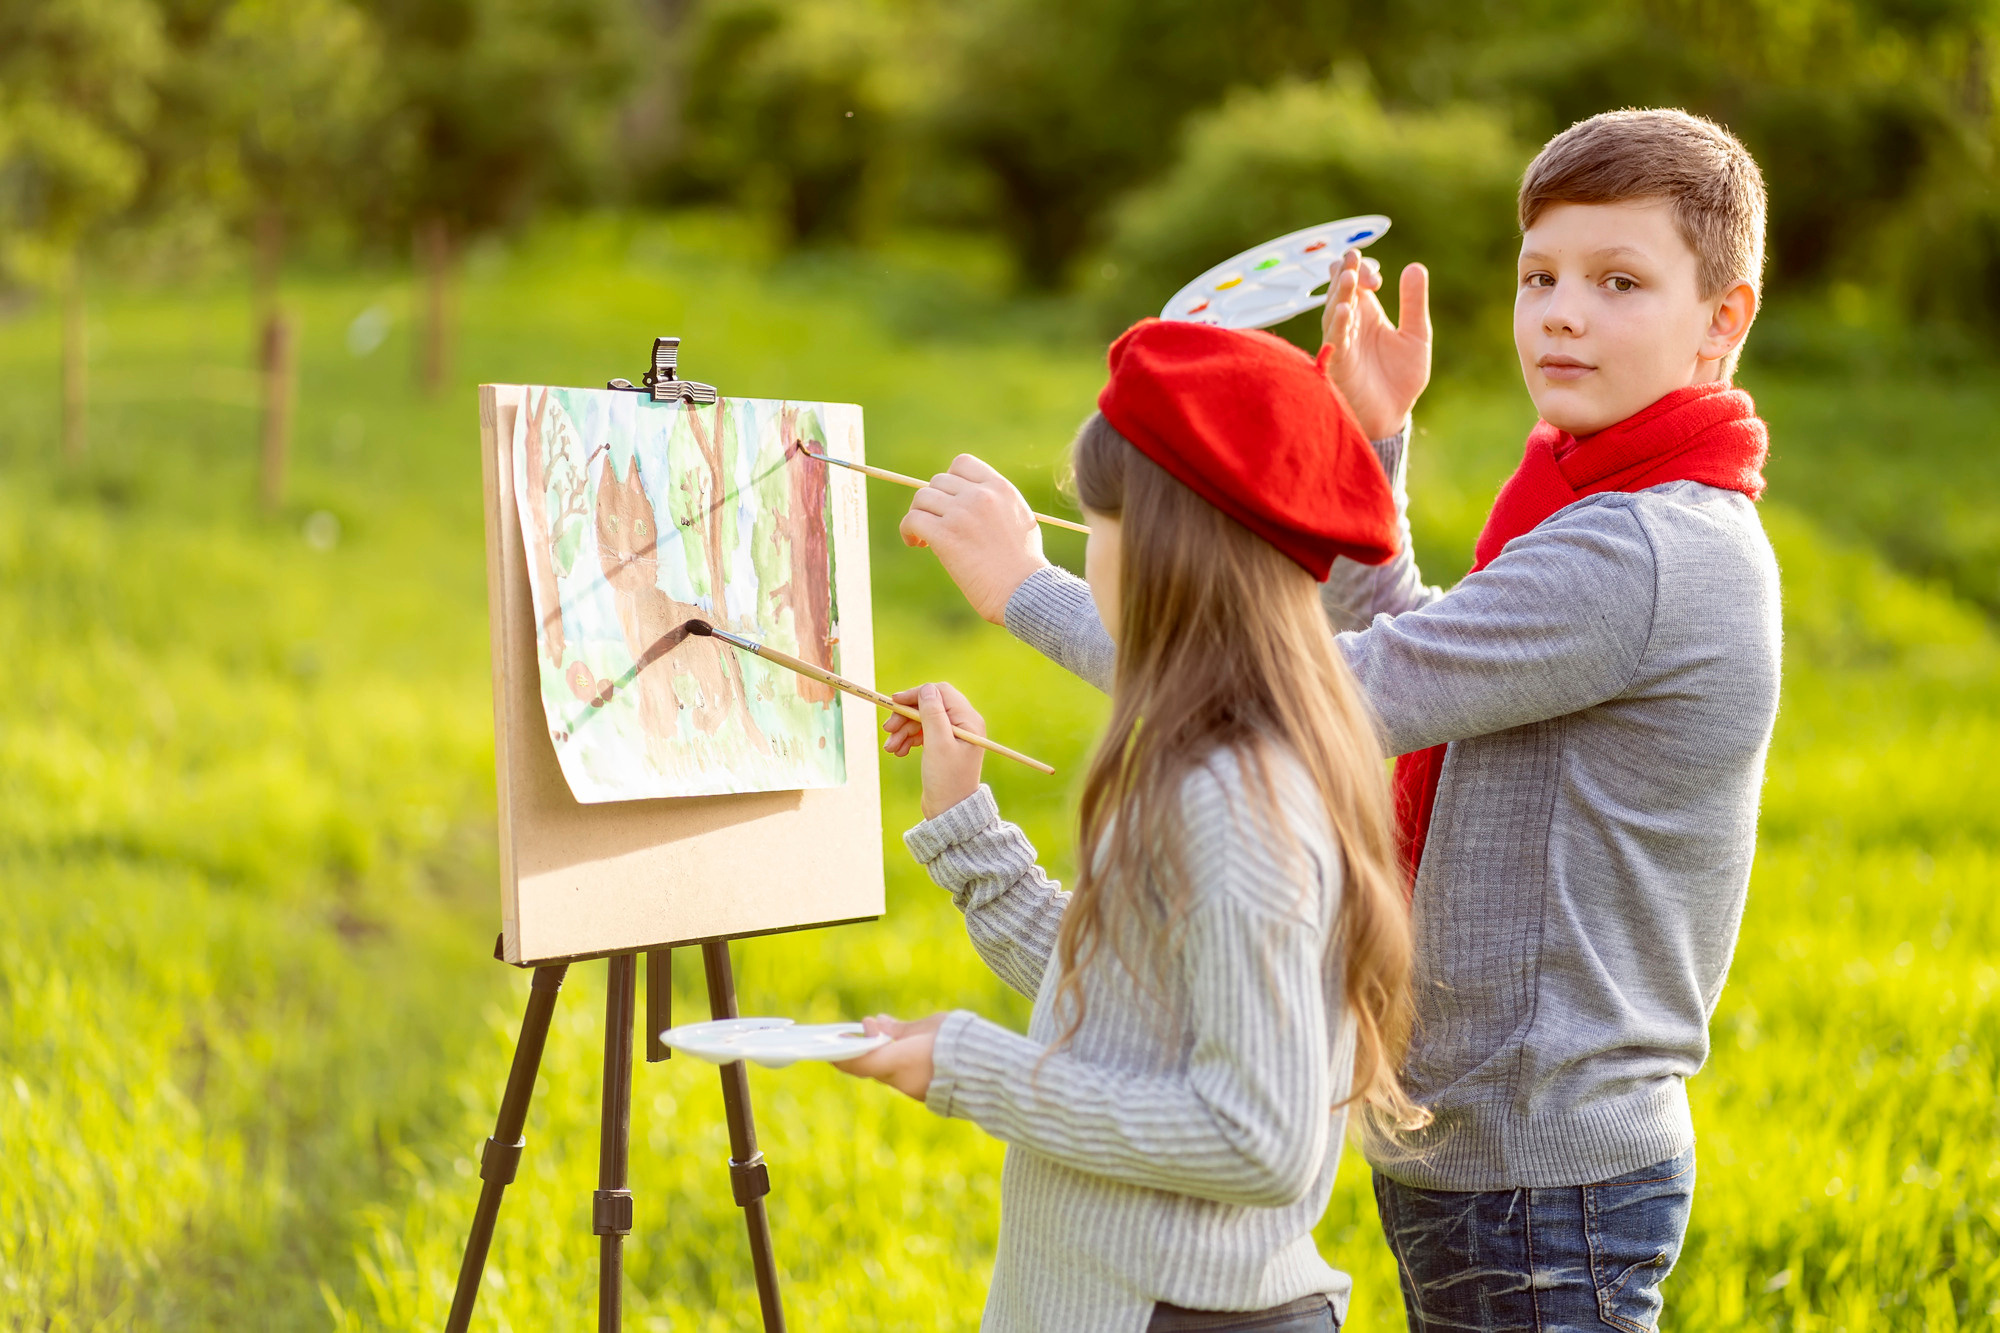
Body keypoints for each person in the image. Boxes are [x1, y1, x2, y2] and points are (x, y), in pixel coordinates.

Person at [895, 109, 1781, 1332]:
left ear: (1721, 318)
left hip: (1535, 1169)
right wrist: (1370, 442)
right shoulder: (1596, 505)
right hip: (1483, 1144)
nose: (1561, 312)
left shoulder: (1638, 548)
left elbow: (1313, 694)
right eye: (1540, 277)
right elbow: (1419, 662)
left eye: (1618, 282)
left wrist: (1028, 590)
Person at [836, 320, 1425, 1332]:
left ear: (1161, 549)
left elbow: (1257, 1139)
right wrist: (964, 827)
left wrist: (970, 1066)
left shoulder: (1237, 794)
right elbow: (1121, 1003)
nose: (1086, 551)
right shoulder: (1225, 751)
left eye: (1094, 525)